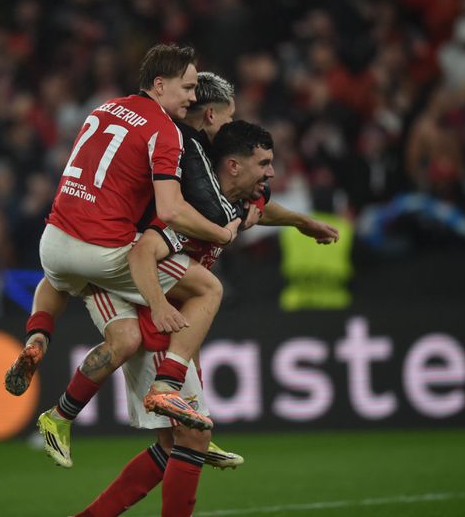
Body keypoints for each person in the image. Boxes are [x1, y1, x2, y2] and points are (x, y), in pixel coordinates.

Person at [73, 120, 339, 516]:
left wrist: (302, 222)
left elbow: (261, 212)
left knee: (175, 444)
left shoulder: (238, 199)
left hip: (176, 316)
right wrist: (159, 309)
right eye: (263, 162)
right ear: (232, 165)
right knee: (195, 435)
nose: (270, 172)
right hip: (157, 315)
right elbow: (144, 252)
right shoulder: (191, 207)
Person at [5, 45, 241, 430]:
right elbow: (170, 211)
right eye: (187, 87)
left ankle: (37, 339)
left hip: (54, 239)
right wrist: (221, 234)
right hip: (105, 249)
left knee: (65, 285)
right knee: (207, 288)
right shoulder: (165, 131)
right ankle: (169, 383)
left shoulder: (104, 108)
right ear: (159, 85)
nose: (193, 97)